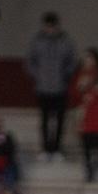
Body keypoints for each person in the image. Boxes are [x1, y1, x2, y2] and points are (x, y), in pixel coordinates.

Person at [26, 12, 79, 159]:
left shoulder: (66, 42)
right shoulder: (37, 42)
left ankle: (57, 149)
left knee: (60, 120)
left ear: (57, 26)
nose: (50, 29)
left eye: (52, 26)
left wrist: (65, 75)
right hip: (42, 88)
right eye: (47, 26)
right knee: (44, 120)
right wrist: (38, 76)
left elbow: (73, 61)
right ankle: (45, 148)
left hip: (60, 87)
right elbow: (30, 62)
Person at [71, 50, 98, 183]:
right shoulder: (81, 75)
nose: (87, 61)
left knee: (96, 139)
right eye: (85, 59)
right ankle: (89, 169)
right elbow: (75, 94)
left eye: (89, 58)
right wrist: (82, 91)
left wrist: (93, 94)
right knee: (86, 141)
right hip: (85, 113)